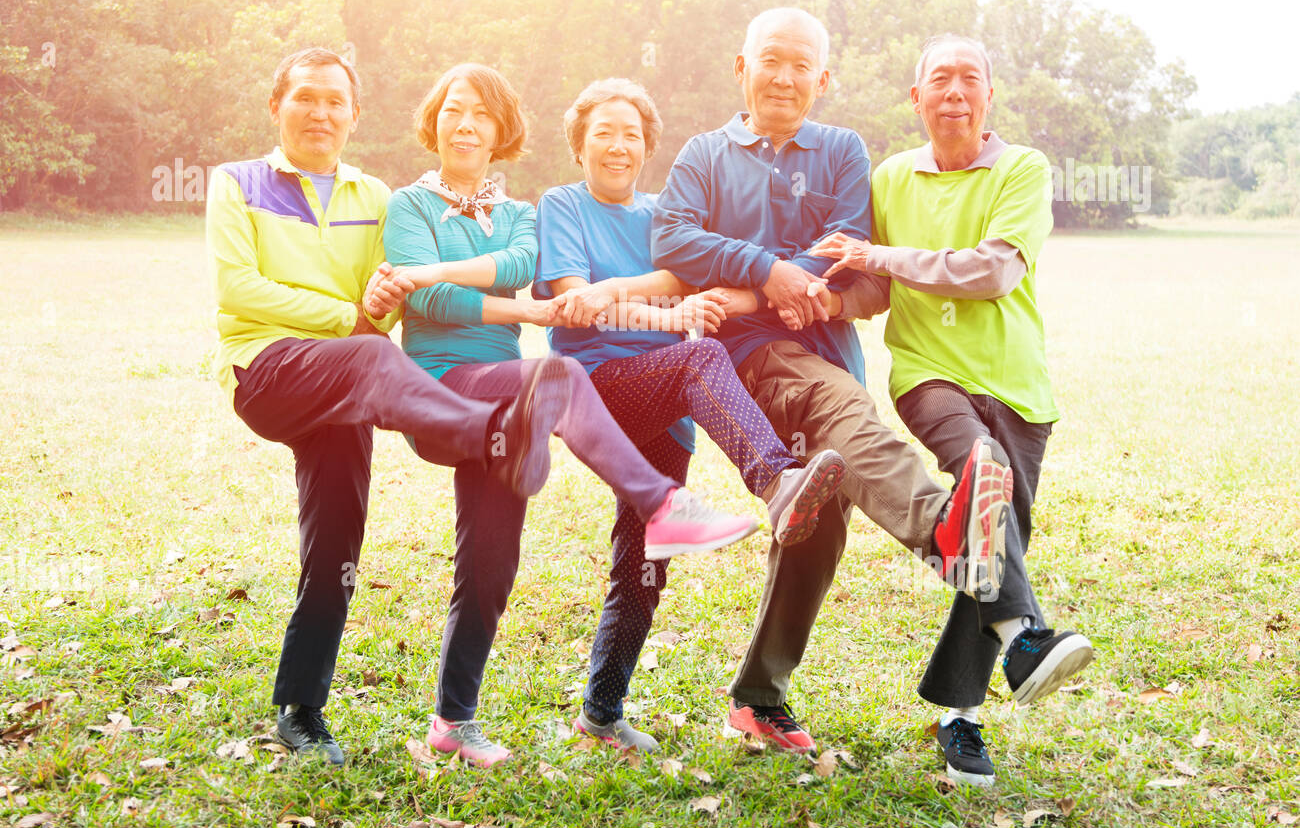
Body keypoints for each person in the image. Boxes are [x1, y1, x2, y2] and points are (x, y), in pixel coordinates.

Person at [651, 8, 1017, 755]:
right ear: (741, 66)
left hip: (828, 349)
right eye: (770, 61)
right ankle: (941, 532)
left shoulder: (843, 150)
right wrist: (771, 267)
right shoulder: (704, 154)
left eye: (801, 66)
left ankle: (757, 698)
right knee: (840, 413)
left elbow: (844, 251)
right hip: (751, 361)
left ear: (823, 79)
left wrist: (771, 273)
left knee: (818, 524)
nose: (784, 77)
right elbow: (672, 235)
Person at [382, 63, 760, 767]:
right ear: (578, 143)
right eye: (454, 111)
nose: (466, 125)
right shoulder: (422, 205)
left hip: (531, 391)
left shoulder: (523, 215)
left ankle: (476, 720)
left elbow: (519, 260)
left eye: (482, 116)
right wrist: (500, 297)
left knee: (499, 559)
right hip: (496, 380)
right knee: (563, 373)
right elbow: (447, 301)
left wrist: (456, 276)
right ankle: (669, 500)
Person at [207, 47, 574, 767]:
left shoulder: (374, 197)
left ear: (352, 114)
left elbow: (398, 288)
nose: (320, 112)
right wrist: (352, 315)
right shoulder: (237, 182)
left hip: (345, 386)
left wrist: (379, 302)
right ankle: (484, 429)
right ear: (276, 104)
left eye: (335, 101)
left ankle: (305, 710)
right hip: (269, 368)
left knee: (338, 542)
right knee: (379, 355)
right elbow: (238, 291)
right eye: (305, 97)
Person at [806, 33, 1094, 786]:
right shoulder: (891, 178)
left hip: (1020, 386)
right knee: (982, 479)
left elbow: (993, 271)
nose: (956, 92)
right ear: (917, 97)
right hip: (929, 374)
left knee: (995, 541)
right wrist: (823, 294)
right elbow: (860, 278)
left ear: (989, 94)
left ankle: (957, 717)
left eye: (971, 79)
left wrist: (880, 259)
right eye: (941, 80)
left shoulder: (1023, 169)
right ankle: (1029, 636)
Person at [534, 78, 847, 754]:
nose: (618, 146)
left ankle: (601, 712)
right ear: (580, 144)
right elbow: (577, 302)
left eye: (631, 135)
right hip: (598, 387)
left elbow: (690, 275)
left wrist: (766, 291)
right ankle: (778, 479)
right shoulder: (562, 204)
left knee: (645, 560)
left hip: (665, 400)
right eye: (604, 134)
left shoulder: (661, 214)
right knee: (703, 357)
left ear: (648, 147)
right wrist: (668, 316)